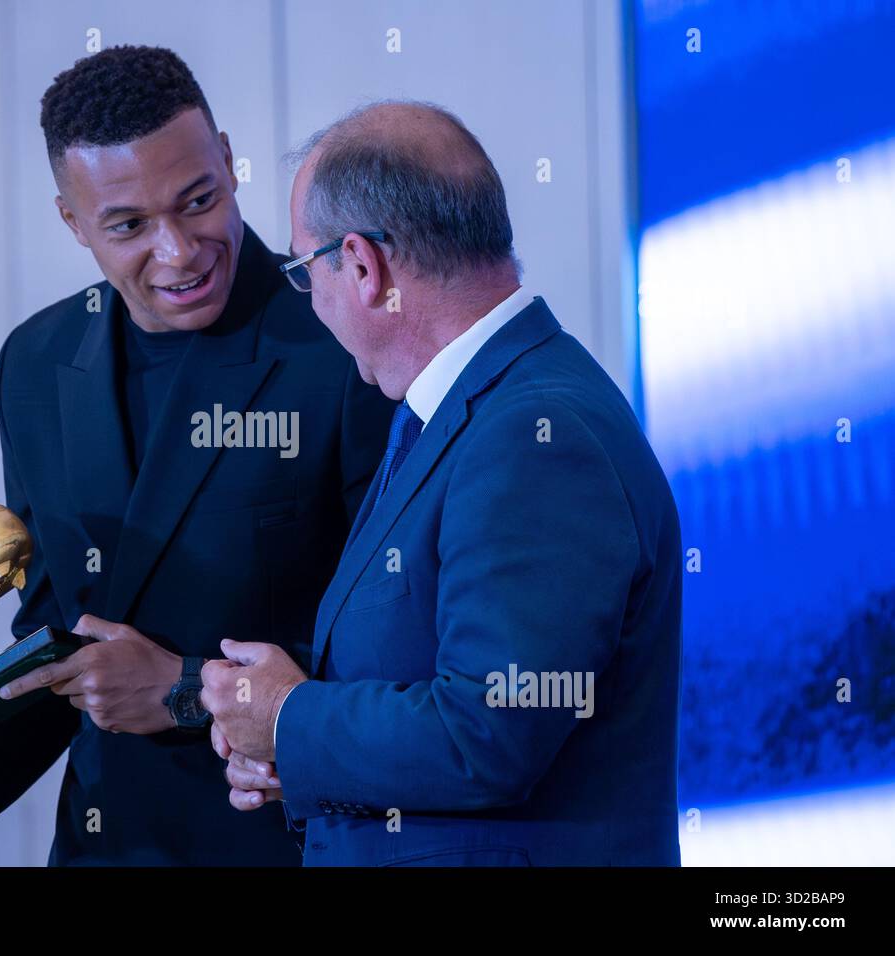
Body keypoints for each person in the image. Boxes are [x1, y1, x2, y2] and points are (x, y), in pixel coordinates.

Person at [0, 46, 392, 865]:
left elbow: (399, 648)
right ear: (72, 221)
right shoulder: (34, 363)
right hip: (104, 840)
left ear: (230, 165)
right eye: (128, 225)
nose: (179, 251)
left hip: (291, 839)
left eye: (198, 201)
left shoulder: (341, 343)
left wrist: (184, 691)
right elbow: (60, 641)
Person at [202, 101, 683, 866]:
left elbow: (490, 731)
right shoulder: (461, 411)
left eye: (303, 271)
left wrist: (291, 719)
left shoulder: (534, 436)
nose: (311, 298)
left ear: (362, 266)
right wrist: (300, 756)